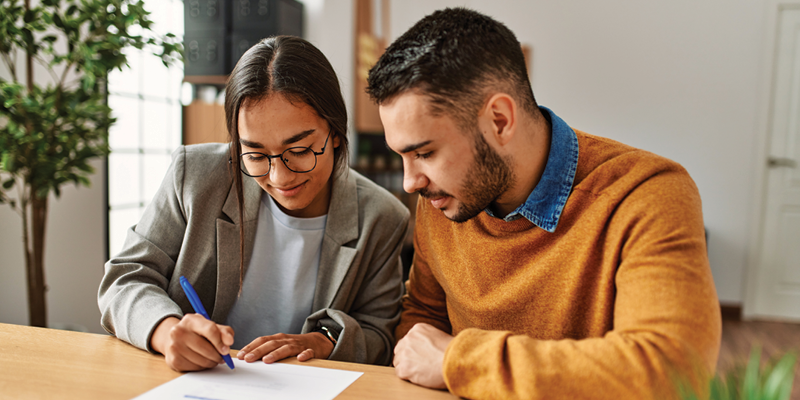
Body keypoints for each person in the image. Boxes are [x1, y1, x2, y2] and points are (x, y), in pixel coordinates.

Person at [366, 8, 721, 400]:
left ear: (499, 120)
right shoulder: (442, 200)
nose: (409, 181)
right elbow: (422, 321)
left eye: (425, 153)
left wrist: (459, 360)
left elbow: (672, 370)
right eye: (402, 155)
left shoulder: (645, 195)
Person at [98, 36, 410, 371]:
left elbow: (380, 333)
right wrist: (167, 331)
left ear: (335, 133)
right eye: (256, 154)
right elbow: (125, 279)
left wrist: (322, 340)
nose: (279, 176)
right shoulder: (195, 176)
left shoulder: (381, 217)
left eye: (300, 151)